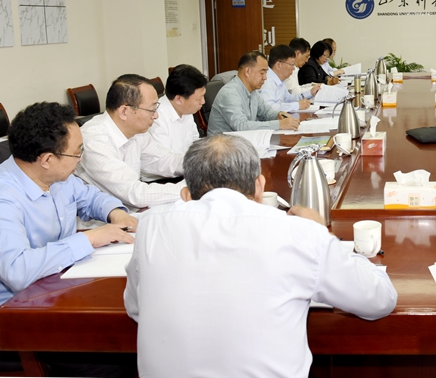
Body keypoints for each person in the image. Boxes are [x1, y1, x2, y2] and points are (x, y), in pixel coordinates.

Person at [124, 135, 397, 377]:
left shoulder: (150, 227)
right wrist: (322, 234)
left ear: (185, 195)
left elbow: (136, 309)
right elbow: (379, 299)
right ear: (259, 186)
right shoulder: (298, 232)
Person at [0, 102, 136, 305]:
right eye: (77, 153)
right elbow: (17, 271)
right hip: (19, 307)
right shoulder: (5, 198)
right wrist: (89, 239)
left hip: (63, 283)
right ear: (47, 160)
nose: (80, 160)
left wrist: (116, 213)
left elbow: (91, 198)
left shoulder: (57, 177)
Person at [77, 74, 185, 209]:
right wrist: (188, 190)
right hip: (106, 219)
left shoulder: (136, 131)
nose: (156, 116)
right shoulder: (95, 141)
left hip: (133, 211)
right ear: (124, 111)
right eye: (152, 110)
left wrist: (204, 166)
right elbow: (134, 193)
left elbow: (165, 160)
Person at [207, 51, 300, 135]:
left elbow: (266, 111)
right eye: (262, 73)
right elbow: (241, 126)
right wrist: (279, 124)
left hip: (242, 141)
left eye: (266, 73)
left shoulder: (253, 91)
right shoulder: (229, 94)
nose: (265, 77)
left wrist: (278, 115)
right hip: (221, 145)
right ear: (247, 71)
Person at [147, 64, 206, 156]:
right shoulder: (156, 120)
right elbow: (164, 160)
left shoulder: (185, 109)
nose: (203, 101)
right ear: (178, 99)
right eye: (199, 99)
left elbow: (194, 143)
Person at [260, 44, 320, 112]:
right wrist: (297, 105)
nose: (293, 68)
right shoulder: (267, 81)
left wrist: (310, 93)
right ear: (278, 65)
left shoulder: (280, 80)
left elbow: (288, 98)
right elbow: (269, 108)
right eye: (292, 64)